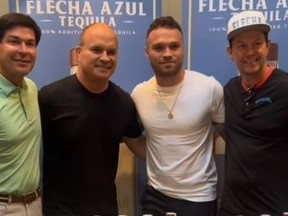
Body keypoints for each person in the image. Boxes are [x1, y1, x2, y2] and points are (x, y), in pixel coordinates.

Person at [39, 23, 145, 216]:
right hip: (59, 211)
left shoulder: (124, 102)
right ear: (78, 53)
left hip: (105, 210)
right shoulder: (50, 97)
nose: (105, 58)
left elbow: (138, 144)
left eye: (111, 52)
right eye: (96, 49)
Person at [132, 16, 225, 216]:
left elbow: (223, 128)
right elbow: (131, 136)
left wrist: (202, 146)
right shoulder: (139, 94)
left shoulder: (209, 88)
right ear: (147, 53)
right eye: (159, 48)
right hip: (155, 195)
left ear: (183, 49)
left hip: (200, 197)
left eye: (174, 46)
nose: (167, 54)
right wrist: (160, 157)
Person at [219, 10, 288, 216]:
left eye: (257, 43)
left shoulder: (285, 88)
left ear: (268, 46)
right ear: (230, 52)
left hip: (273, 209)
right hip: (231, 209)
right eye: (241, 46)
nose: (250, 52)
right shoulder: (229, 90)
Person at [0, 13, 42, 216]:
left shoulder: (31, 88)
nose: (24, 51)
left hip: (35, 204)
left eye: (30, 43)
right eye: (14, 42)